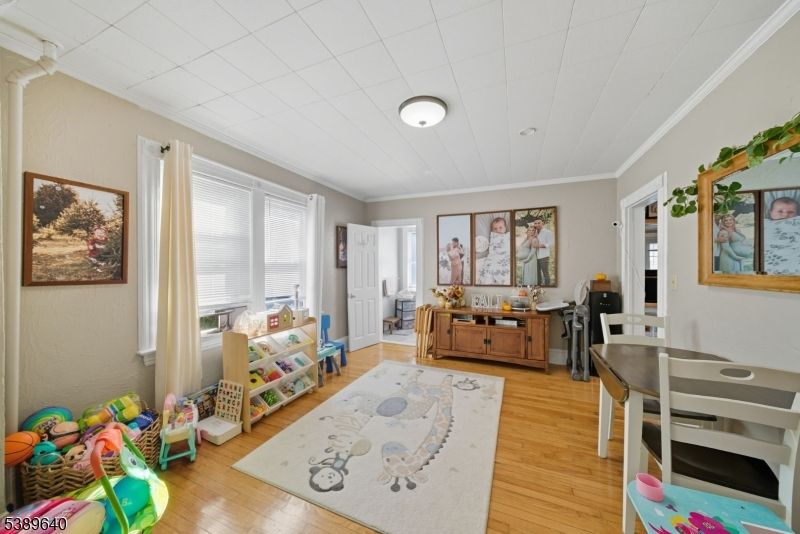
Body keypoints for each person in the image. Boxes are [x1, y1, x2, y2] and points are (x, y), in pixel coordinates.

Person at [477, 216, 510, 285]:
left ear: (505, 228)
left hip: (504, 257)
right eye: (495, 228)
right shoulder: (493, 236)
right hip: (493, 256)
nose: (498, 230)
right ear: (492, 230)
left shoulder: (507, 235)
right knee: (487, 269)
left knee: (504, 269)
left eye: (500, 228)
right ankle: (486, 282)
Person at [529, 217, 554, 285]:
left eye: (539, 223)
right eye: (535, 223)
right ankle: (538, 289)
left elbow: (551, 243)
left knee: (545, 273)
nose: (537, 224)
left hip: (544, 256)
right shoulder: (535, 232)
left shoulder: (548, 232)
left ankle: (548, 287)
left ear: (542, 223)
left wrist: (540, 246)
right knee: (537, 274)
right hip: (535, 256)